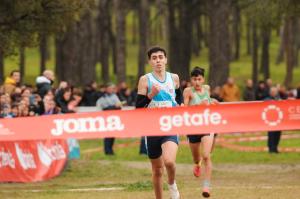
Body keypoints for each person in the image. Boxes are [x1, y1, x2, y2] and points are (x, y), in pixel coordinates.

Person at [136, 46, 182, 199]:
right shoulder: (145, 80)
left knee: (169, 162)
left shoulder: (174, 78)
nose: (158, 61)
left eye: (161, 57)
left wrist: (180, 106)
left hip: (170, 125)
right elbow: (138, 108)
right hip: (152, 128)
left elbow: (178, 96)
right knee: (157, 170)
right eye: (154, 58)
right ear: (150, 61)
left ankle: (172, 184)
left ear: (166, 60)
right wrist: (150, 95)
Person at [183, 66, 217, 198]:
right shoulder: (188, 91)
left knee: (206, 155)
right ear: (191, 80)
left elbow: (208, 102)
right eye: (194, 79)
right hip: (192, 127)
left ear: (203, 79)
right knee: (197, 158)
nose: (197, 82)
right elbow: (185, 109)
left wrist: (213, 102)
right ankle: (197, 164)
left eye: (199, 79)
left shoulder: (207, 89)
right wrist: (198, 106)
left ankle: (206, 186)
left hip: (207, 125)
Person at [96, 83, 122, 155]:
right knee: (107, 135)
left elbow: (119, 107)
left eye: (112, 88)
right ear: (106, 89)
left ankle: (111, 150)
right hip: (106, 118)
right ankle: (107, 151)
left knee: (113, 135)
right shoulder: (102, 97)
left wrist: (115, 106)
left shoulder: (115, 96)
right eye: (110, 88)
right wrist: (114, 106)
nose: (111, 90)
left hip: (114, 118)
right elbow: (105, 108)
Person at [264, 86, 281, 153]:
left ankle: (275, 147)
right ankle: (271, 148)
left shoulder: (279, 99)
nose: (273, 93)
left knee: (278, 134)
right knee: (271, 135)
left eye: (275, 92)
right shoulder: (267, 99)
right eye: (272, 92)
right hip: (270, 121)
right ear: (270, 92)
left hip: (278, 120)